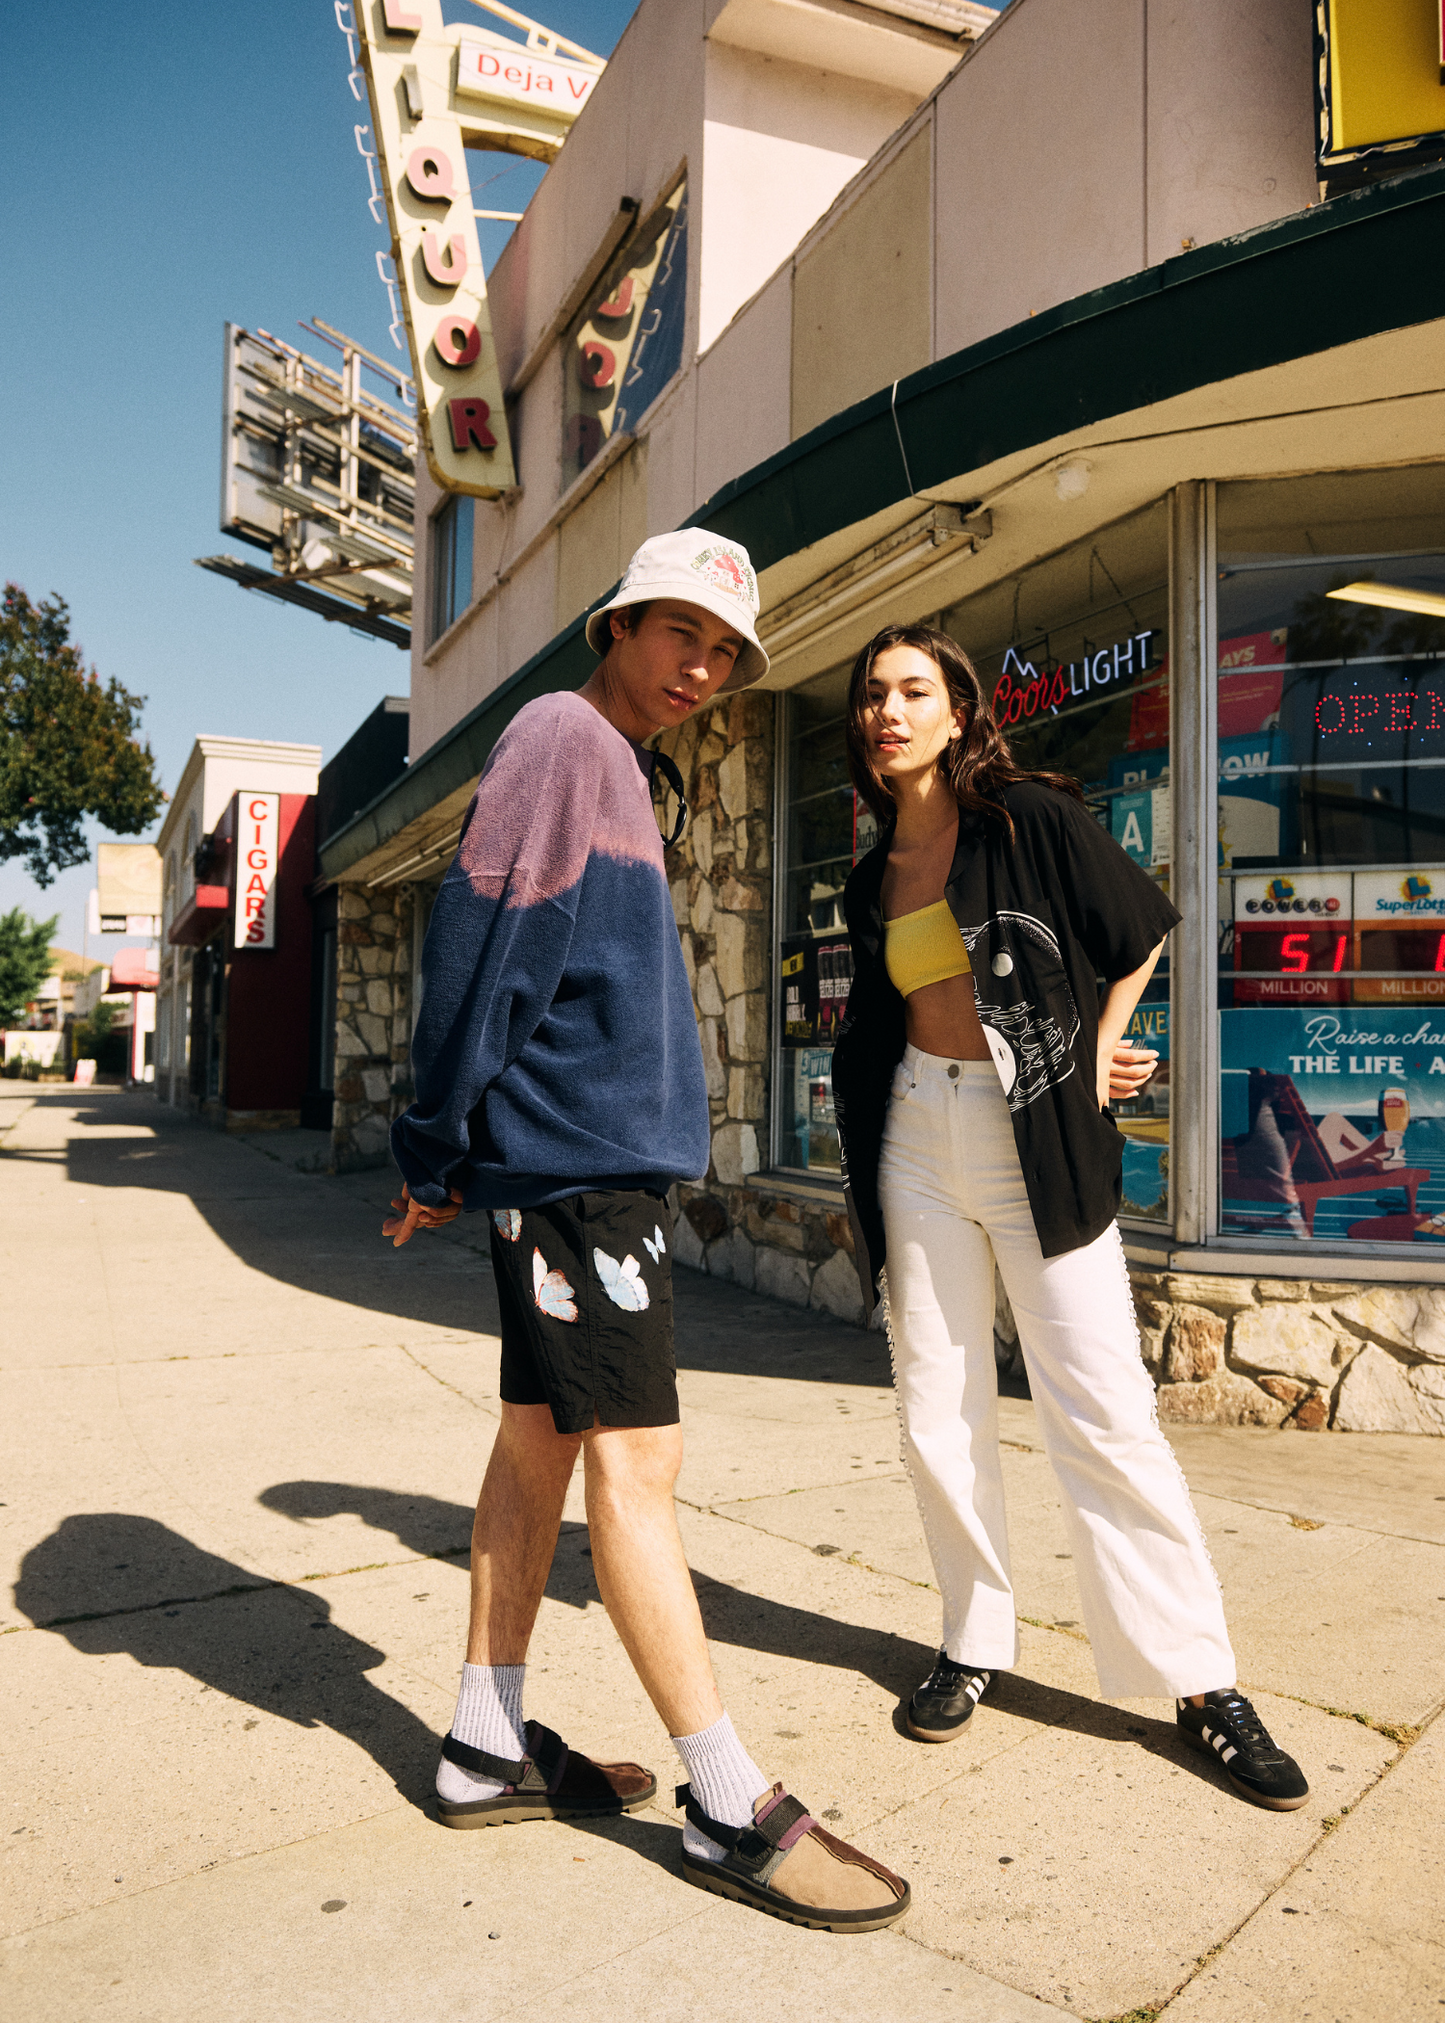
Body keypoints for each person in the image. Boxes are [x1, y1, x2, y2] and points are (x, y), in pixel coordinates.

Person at [382, 530, 911, 1931]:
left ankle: (482, 1742)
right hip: (576, 1174)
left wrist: (454, 1150)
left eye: (724, 648)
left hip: (575, 1168)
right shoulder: (564, 734)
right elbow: (480, 945)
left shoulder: (616, 765)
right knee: (638, 1461)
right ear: (614, 625)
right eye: (678, 629)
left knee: (539, 1440)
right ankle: (728, 1798)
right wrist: (432, 1142)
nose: (702, 664)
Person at [830, 623, 1309, 1813]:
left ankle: (1198, 1684)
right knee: (933, 1404)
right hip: (914, 1135)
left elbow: (1138, 926)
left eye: (911, 690)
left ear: (955, 710)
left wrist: (1097, 1047)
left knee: (1099, 1409)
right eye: (871, 694)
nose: (887, 710)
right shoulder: (872, 869)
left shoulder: (1024, 820)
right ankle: (973, 1637)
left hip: (1030, 1135)